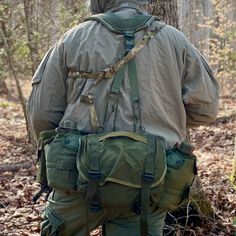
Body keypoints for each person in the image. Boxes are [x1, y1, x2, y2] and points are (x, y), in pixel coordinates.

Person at [27, 0, 219, 235]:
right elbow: (206, 109)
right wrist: (165, 118)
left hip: (79, 178)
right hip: (149, 181)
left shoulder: (72, 38)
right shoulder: (175, 40)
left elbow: (42, 115)